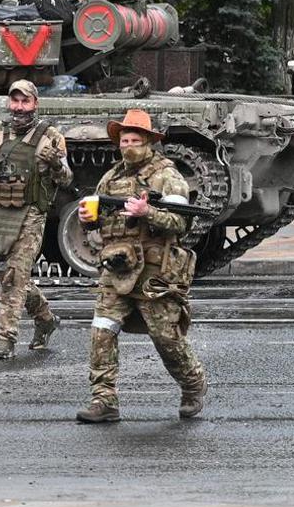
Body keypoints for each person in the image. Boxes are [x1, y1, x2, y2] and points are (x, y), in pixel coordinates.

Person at [76, 109, 206, 424]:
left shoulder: (167, 176)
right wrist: (90, 220)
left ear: (148, 142)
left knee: (165, 337)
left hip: (154, 270)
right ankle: (103, 399)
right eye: (124, 139)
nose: (129, 145)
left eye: (135, 139)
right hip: (117, 267)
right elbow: (103, 225)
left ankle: (192, 383)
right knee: (102, 331)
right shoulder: (111, 178)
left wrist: (148, 212)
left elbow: (181, 223)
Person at [0, 80, 71, 359]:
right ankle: (46, 318)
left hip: (31, 214)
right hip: (0, 213)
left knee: (14, 278)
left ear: (35, 104)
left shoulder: (50, 137)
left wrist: (54, 162)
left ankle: (6, 341)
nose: (19, 107)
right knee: (8, 275)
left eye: (25, 101)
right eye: (14, 101)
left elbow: (67, 178)